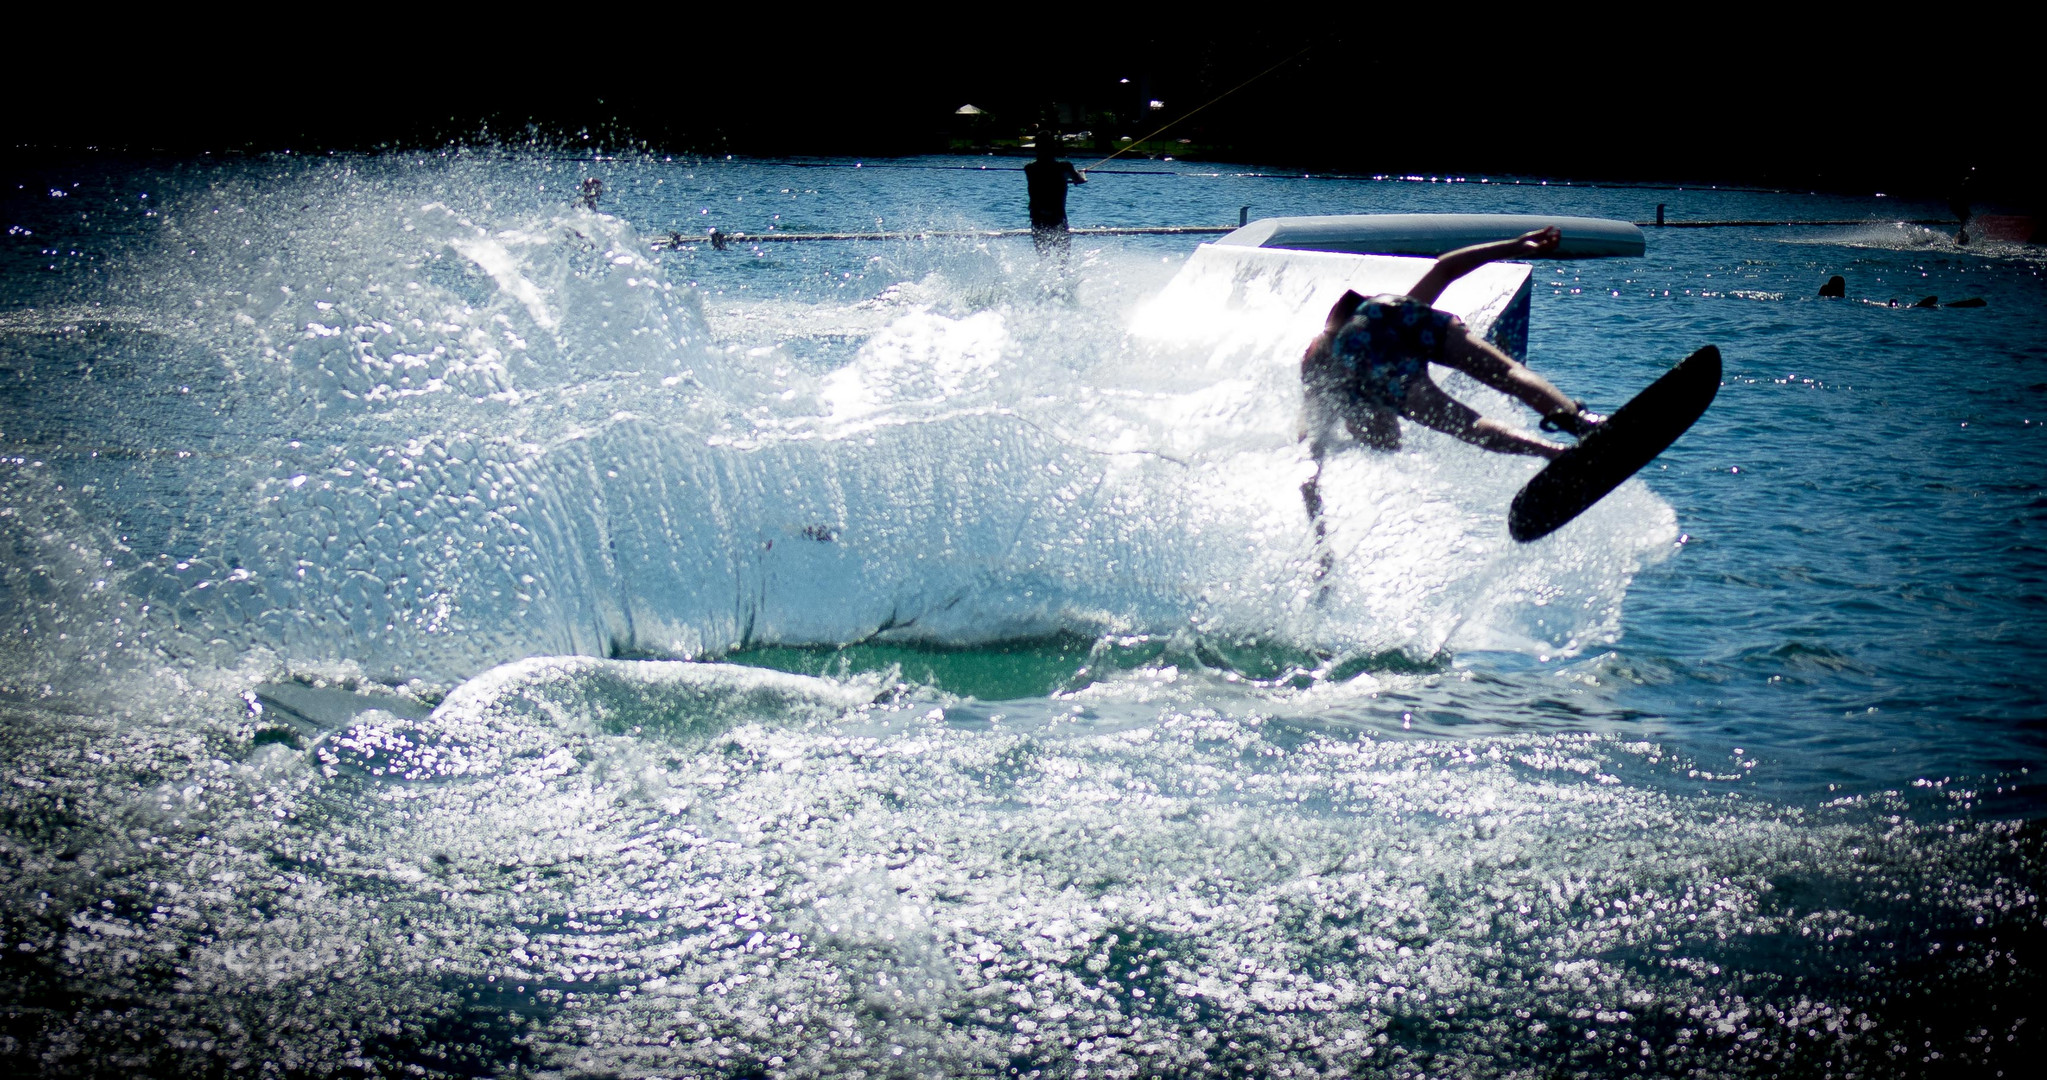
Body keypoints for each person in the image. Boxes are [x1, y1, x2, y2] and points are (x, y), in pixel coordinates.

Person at [1298, 227, 1605, 534]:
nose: (1396, 437)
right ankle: (1580, 420)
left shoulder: (1334, 385)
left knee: (1467, 424)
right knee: (1508, 373)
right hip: (1389, 306)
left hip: (1363, 349)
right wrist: (1516, 245)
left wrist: (1321, 551)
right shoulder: (1377, 317)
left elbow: (1308, 474)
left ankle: (1554, 453)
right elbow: (1446, 268)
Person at [1023, 134, 1086, 256]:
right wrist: (1080, 174)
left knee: (1043, 255)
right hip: (1057, 216)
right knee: (1063, 255)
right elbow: (1079, 180)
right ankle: (1062, 274)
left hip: (1038, 216)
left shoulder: (1029, 168)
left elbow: (1047, 176)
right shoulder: (1065, 166)